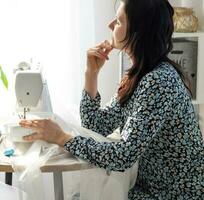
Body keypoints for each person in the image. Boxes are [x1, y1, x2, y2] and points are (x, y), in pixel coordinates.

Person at [19, 0, 204, 199]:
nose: (110, 25)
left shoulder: (158, 80)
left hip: (172, 196)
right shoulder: (139, 76)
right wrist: (91, 74)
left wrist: (61, 138)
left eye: (118, 20)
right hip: (149, 190)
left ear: (138, 31)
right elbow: (96, 126)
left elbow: (123, 156)